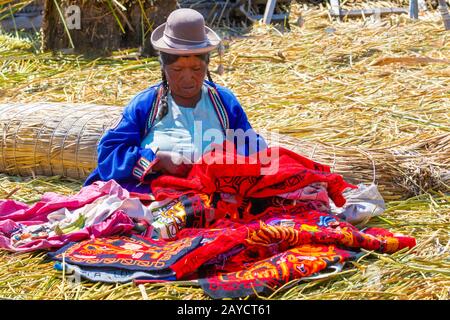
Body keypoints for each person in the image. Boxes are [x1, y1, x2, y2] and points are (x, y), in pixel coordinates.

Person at [84, 8, 266, 193]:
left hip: (213, 198)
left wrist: (223, 162)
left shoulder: (224, 103)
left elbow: (254, 148)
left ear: (207, 64)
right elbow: (110, 154)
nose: (188, 78)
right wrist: (156, 160)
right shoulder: (146, 104)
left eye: (196, 68)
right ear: (163, 67)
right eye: (178, 70)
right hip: (154, 198)